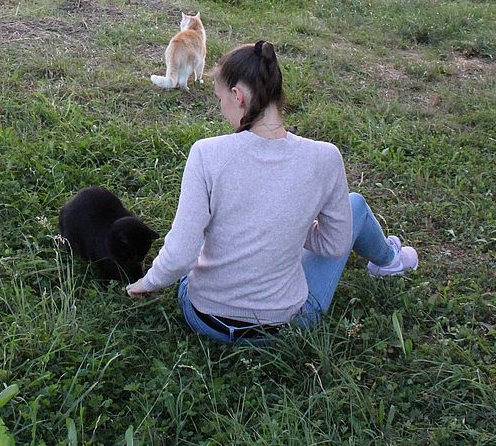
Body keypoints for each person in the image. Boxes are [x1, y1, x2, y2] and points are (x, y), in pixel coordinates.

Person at [126, 40, 418, 343]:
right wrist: (290, 223)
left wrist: (147, 283)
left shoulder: (206, 153)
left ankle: (387, 260)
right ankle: (389, 261)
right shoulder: (325, 157)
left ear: (238, 96)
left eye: (220, 98)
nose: (221, 107)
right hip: (285, 327)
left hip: (204, 318)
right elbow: (334, 246)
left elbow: (182, 253)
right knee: (354, 204)